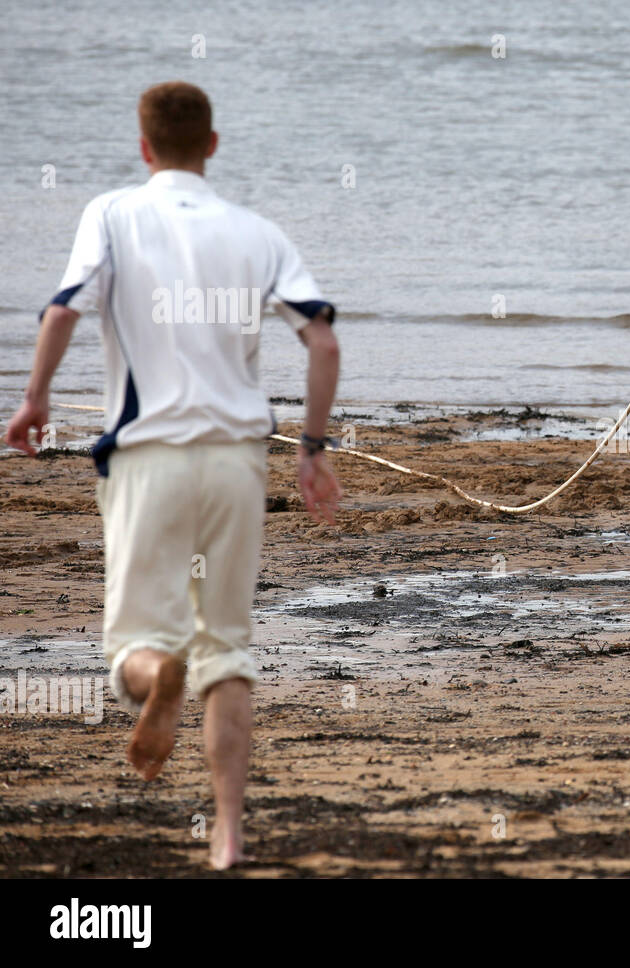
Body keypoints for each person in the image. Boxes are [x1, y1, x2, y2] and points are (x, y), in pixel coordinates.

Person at [4, 81, 342, 870]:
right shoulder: (256, 231)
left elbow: (62, 312)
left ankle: (162, 674)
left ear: (144, 146)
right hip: (233, 461)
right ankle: (227, 837)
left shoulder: (113, 214)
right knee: (229, 650)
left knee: (132, 649)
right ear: (213, 146)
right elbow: (322, 343)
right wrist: (314, 448)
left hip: (148, 456)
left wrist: (34, 400)